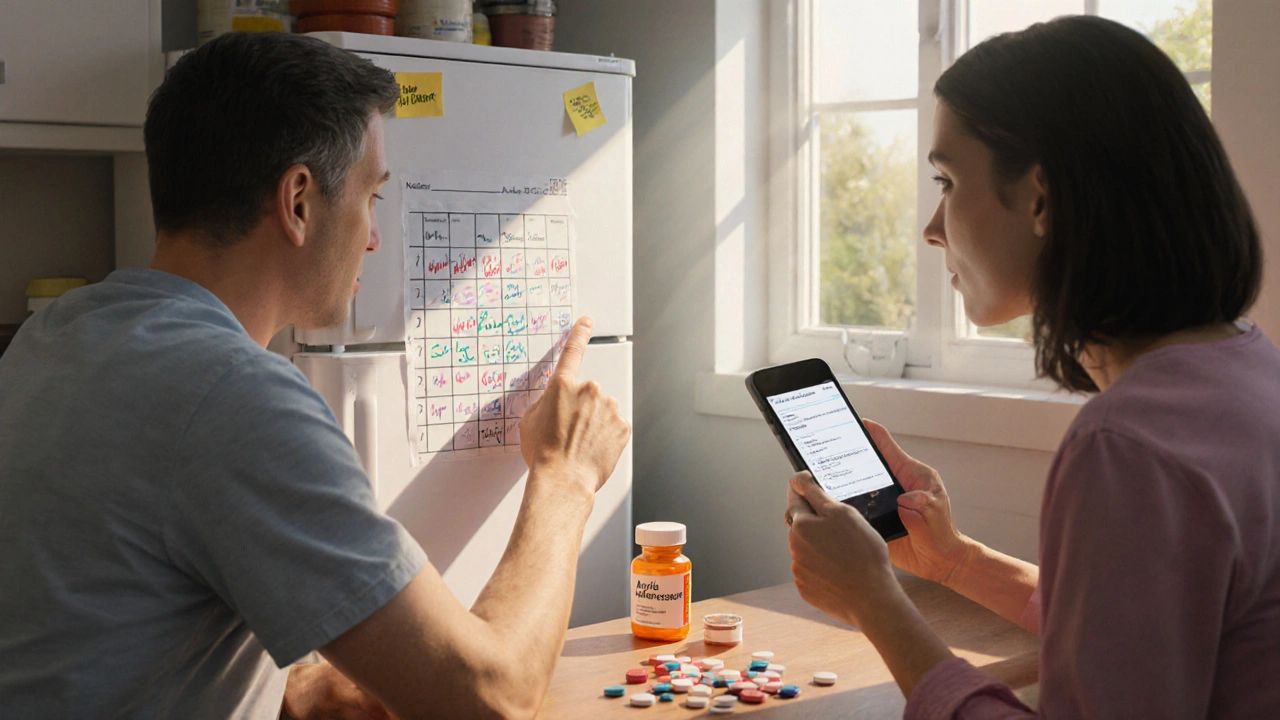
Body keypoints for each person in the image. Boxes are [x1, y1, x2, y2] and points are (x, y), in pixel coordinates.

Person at [0, 32, 630, 720]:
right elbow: (488, 697)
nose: (373, 238)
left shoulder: (57, 335)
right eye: (372, 198)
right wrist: (567, 476)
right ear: (299, 202)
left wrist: (284, 692)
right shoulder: (233, 396)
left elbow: (103, 632)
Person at [784, 15, 1279, 719]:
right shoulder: (1249, 373)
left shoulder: (1127, 446)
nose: (932, 226)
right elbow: (1137, 635)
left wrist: (874, 600)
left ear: (1040, 196)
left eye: (948, 180)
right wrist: (955, 561)